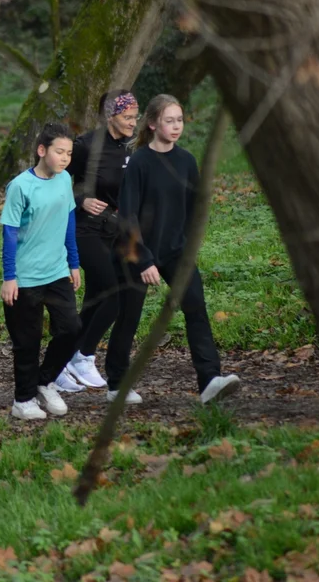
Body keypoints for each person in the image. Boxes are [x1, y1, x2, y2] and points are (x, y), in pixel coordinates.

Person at [108, 94, 240, 405]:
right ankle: (116, 383)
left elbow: (195, 210)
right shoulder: (139, 162)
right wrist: (144, 260)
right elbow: (127, 216)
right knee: (129, 316)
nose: (176, 126)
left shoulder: (186, 161)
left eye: (179, 120)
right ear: (153, 124)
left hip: (176, 251)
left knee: (196, 308)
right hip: (136, 252)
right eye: (169, 120)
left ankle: (209, 380)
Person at [55, 89, 139, 393]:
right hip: (85, 229)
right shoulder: (87, 146)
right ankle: (84, 355)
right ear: (110, 116)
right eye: (127, 117)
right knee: (112, 294)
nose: (133, 122)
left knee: (95, 299)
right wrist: (82, 199)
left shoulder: (133, 147)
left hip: (116, 231)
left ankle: (63, 357)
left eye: (135, 116)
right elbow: (58, 177)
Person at [0, 123, 82, 420]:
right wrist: (9, 277)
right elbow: (9, 233)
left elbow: (69, 221)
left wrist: (74, 262)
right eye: (60, 152)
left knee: (72, 329)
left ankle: (45, 382)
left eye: (69, 153)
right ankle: (22, 401)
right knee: (27, 341)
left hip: (57, 270)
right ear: (42, 150)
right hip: (25, 277)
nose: (65, 158)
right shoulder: (21, 186)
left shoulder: (65, 180)